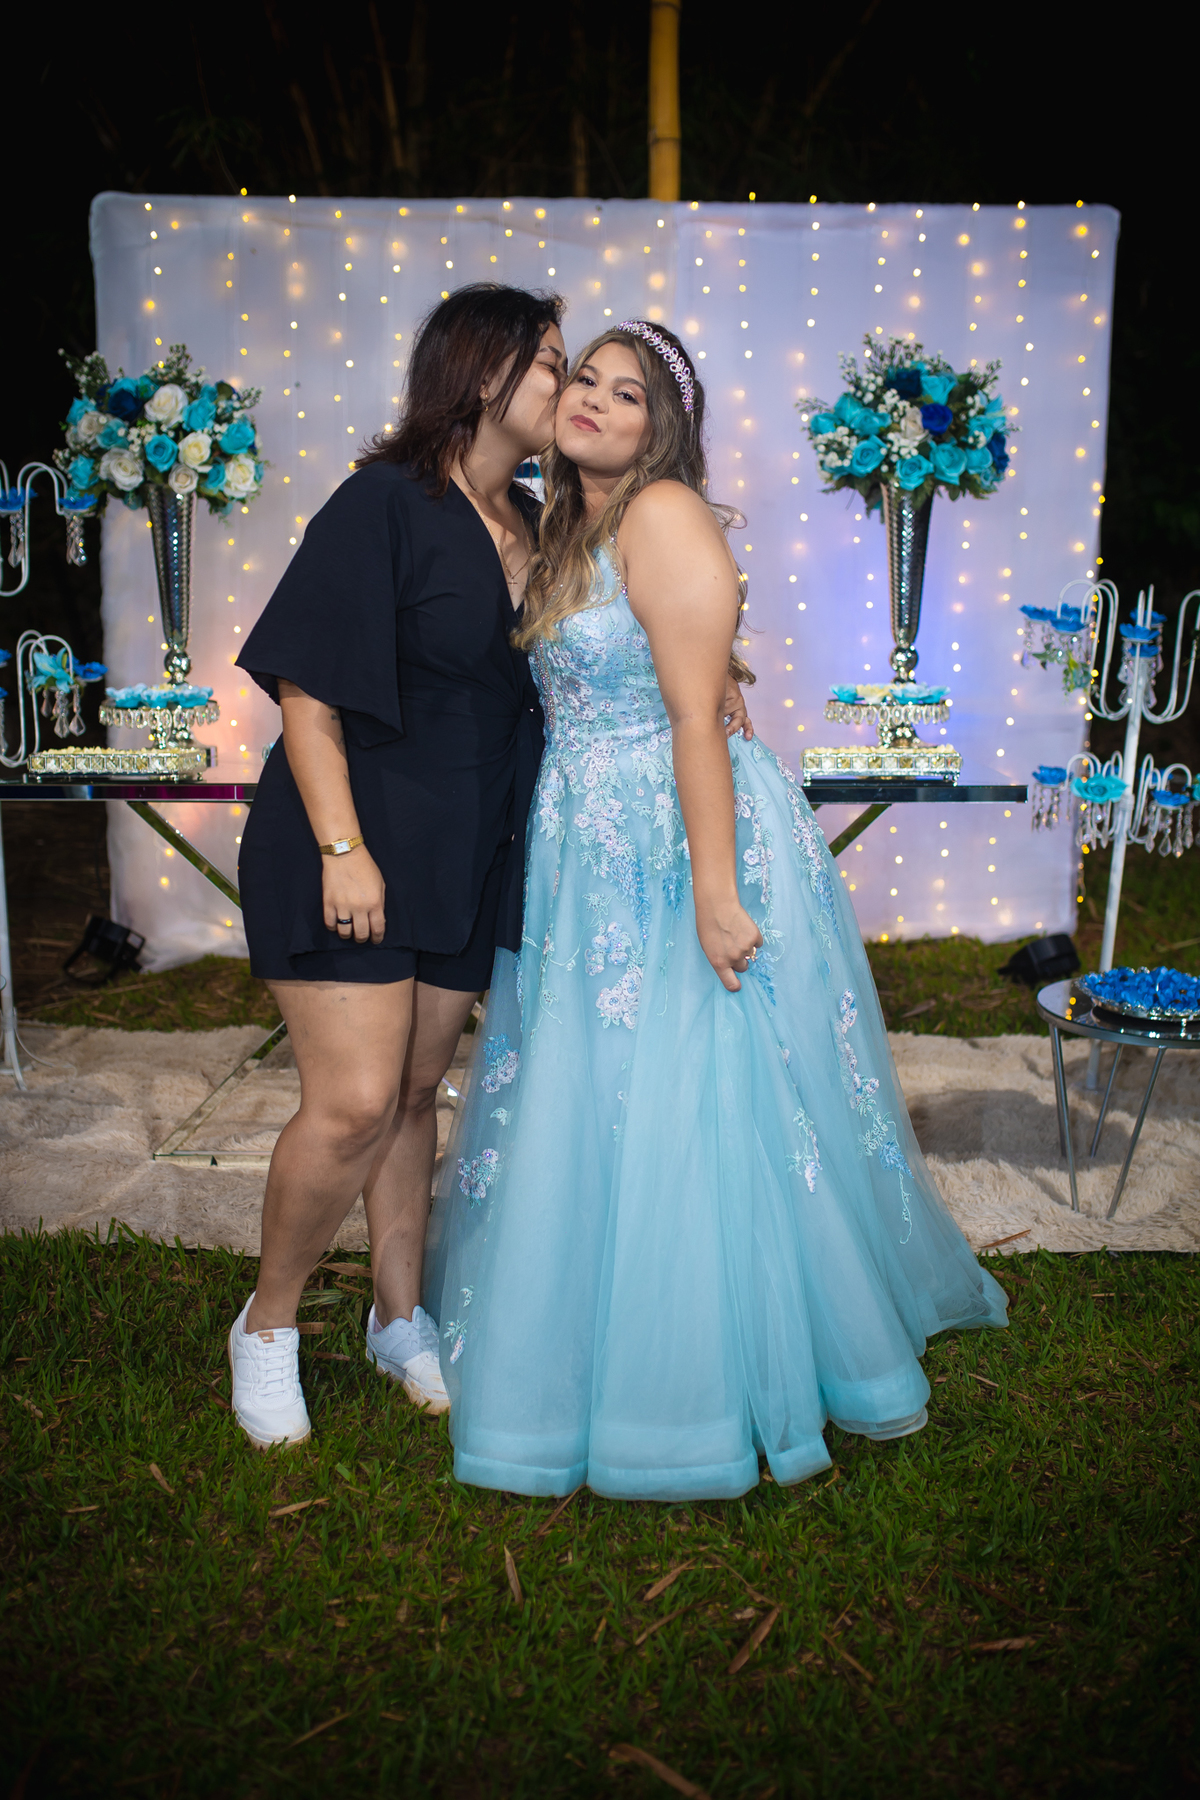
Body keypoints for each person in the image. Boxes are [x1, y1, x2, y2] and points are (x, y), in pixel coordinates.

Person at [425, 322, 1009, 1502]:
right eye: (584, 379)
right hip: (588, 841)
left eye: (626, 393)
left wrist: (714, 889)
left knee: (701, 1090)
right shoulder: (565, 524)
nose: (593, 400)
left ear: (662, 430)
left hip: (674, 835)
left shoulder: (662, 513)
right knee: (602, 1086)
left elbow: (694, 717)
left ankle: (707, 1371)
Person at [225, 284, 567, 1449]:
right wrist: (343, 851)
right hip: (350, 844)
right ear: (483, 372)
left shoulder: (539, 523)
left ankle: (398, 1316)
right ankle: (268, 1325)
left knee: (419, 1095)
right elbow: (307, 694)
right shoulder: (383, 502)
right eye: (550, 362)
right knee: (356, 1102)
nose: (566, 385)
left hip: (469, 853)